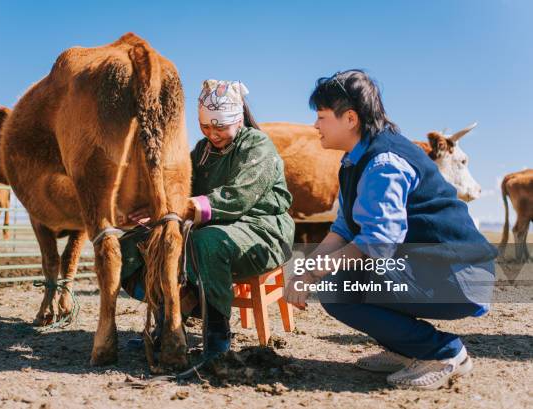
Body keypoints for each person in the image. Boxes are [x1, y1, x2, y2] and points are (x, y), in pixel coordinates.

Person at [284, 70, 497, 390]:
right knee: (341, 281)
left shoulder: (384, 162)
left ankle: (444, 352)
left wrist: (314, 274)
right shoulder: (354, 162)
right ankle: (407, 350)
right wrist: (306, 269)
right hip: (435, 269)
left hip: (461, 274)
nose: (316, 125)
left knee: (338, 288)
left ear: (350, 118)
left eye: (322, 116)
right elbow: (342, 229)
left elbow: (378, 242)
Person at [122, 79, 295, 357]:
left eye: (220, 127)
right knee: (132, 245)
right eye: (206, 126)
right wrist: (156, 206)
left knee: (208, 242)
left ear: (238, 120)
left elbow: (238, 196)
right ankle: (172, 316)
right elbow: (182, 184)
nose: (212, 134)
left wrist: (182, 206)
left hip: (262, 229)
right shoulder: (202, 150)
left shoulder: (257, 145)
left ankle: (217, 335)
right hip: (213, 227)